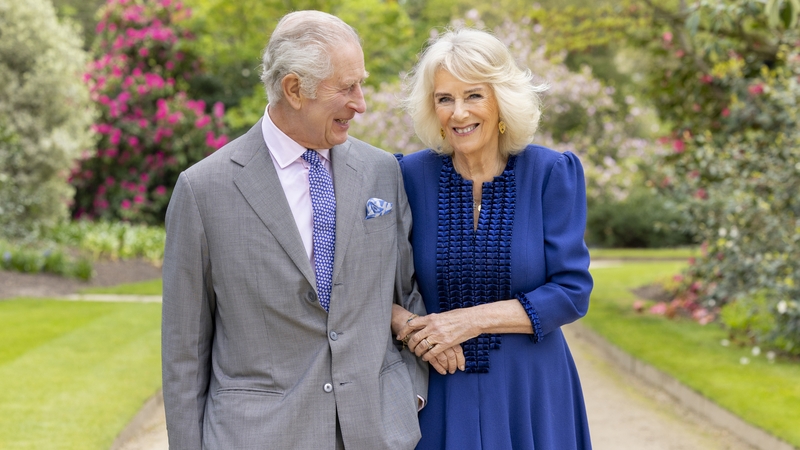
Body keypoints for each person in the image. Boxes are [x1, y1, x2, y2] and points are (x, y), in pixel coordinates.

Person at [161, 11, 429, 449]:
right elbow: (183, 352)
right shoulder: (203, 190)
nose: (361, 102)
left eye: (360, 84)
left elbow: (405, 292)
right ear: (294, 89)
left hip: (375, 431)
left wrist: (407, 395)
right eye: (347, 87)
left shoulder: (382, 172)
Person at [393, 28, 594, 449]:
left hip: (533, 394)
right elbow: (364, 281)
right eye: (444, 98)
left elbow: (572, 291)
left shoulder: (551, 173)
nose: (458, 113)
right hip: (440, 389)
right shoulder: (405, 177)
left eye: (473, 96)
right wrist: (412, 328)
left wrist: (466, 321)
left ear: (502, 99)